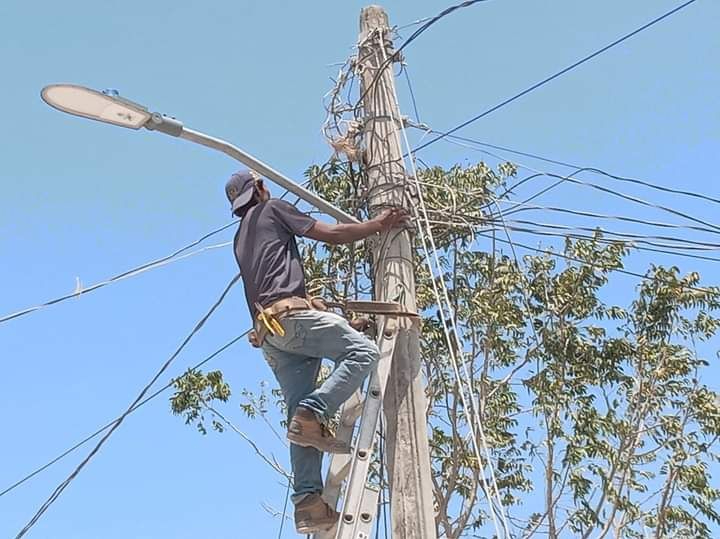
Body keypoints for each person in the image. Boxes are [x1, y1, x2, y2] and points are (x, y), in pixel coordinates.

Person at [225, 170, 407, 534]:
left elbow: (275, 286)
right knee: (363, 353)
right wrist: (379, 224)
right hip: (290, 321)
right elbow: (332, 235)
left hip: (273, 335)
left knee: (299, 424)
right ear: (259, 189)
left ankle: (309, 503)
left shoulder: (238, 238)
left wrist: (335, 320)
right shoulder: (274, 209)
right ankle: (315, 411)